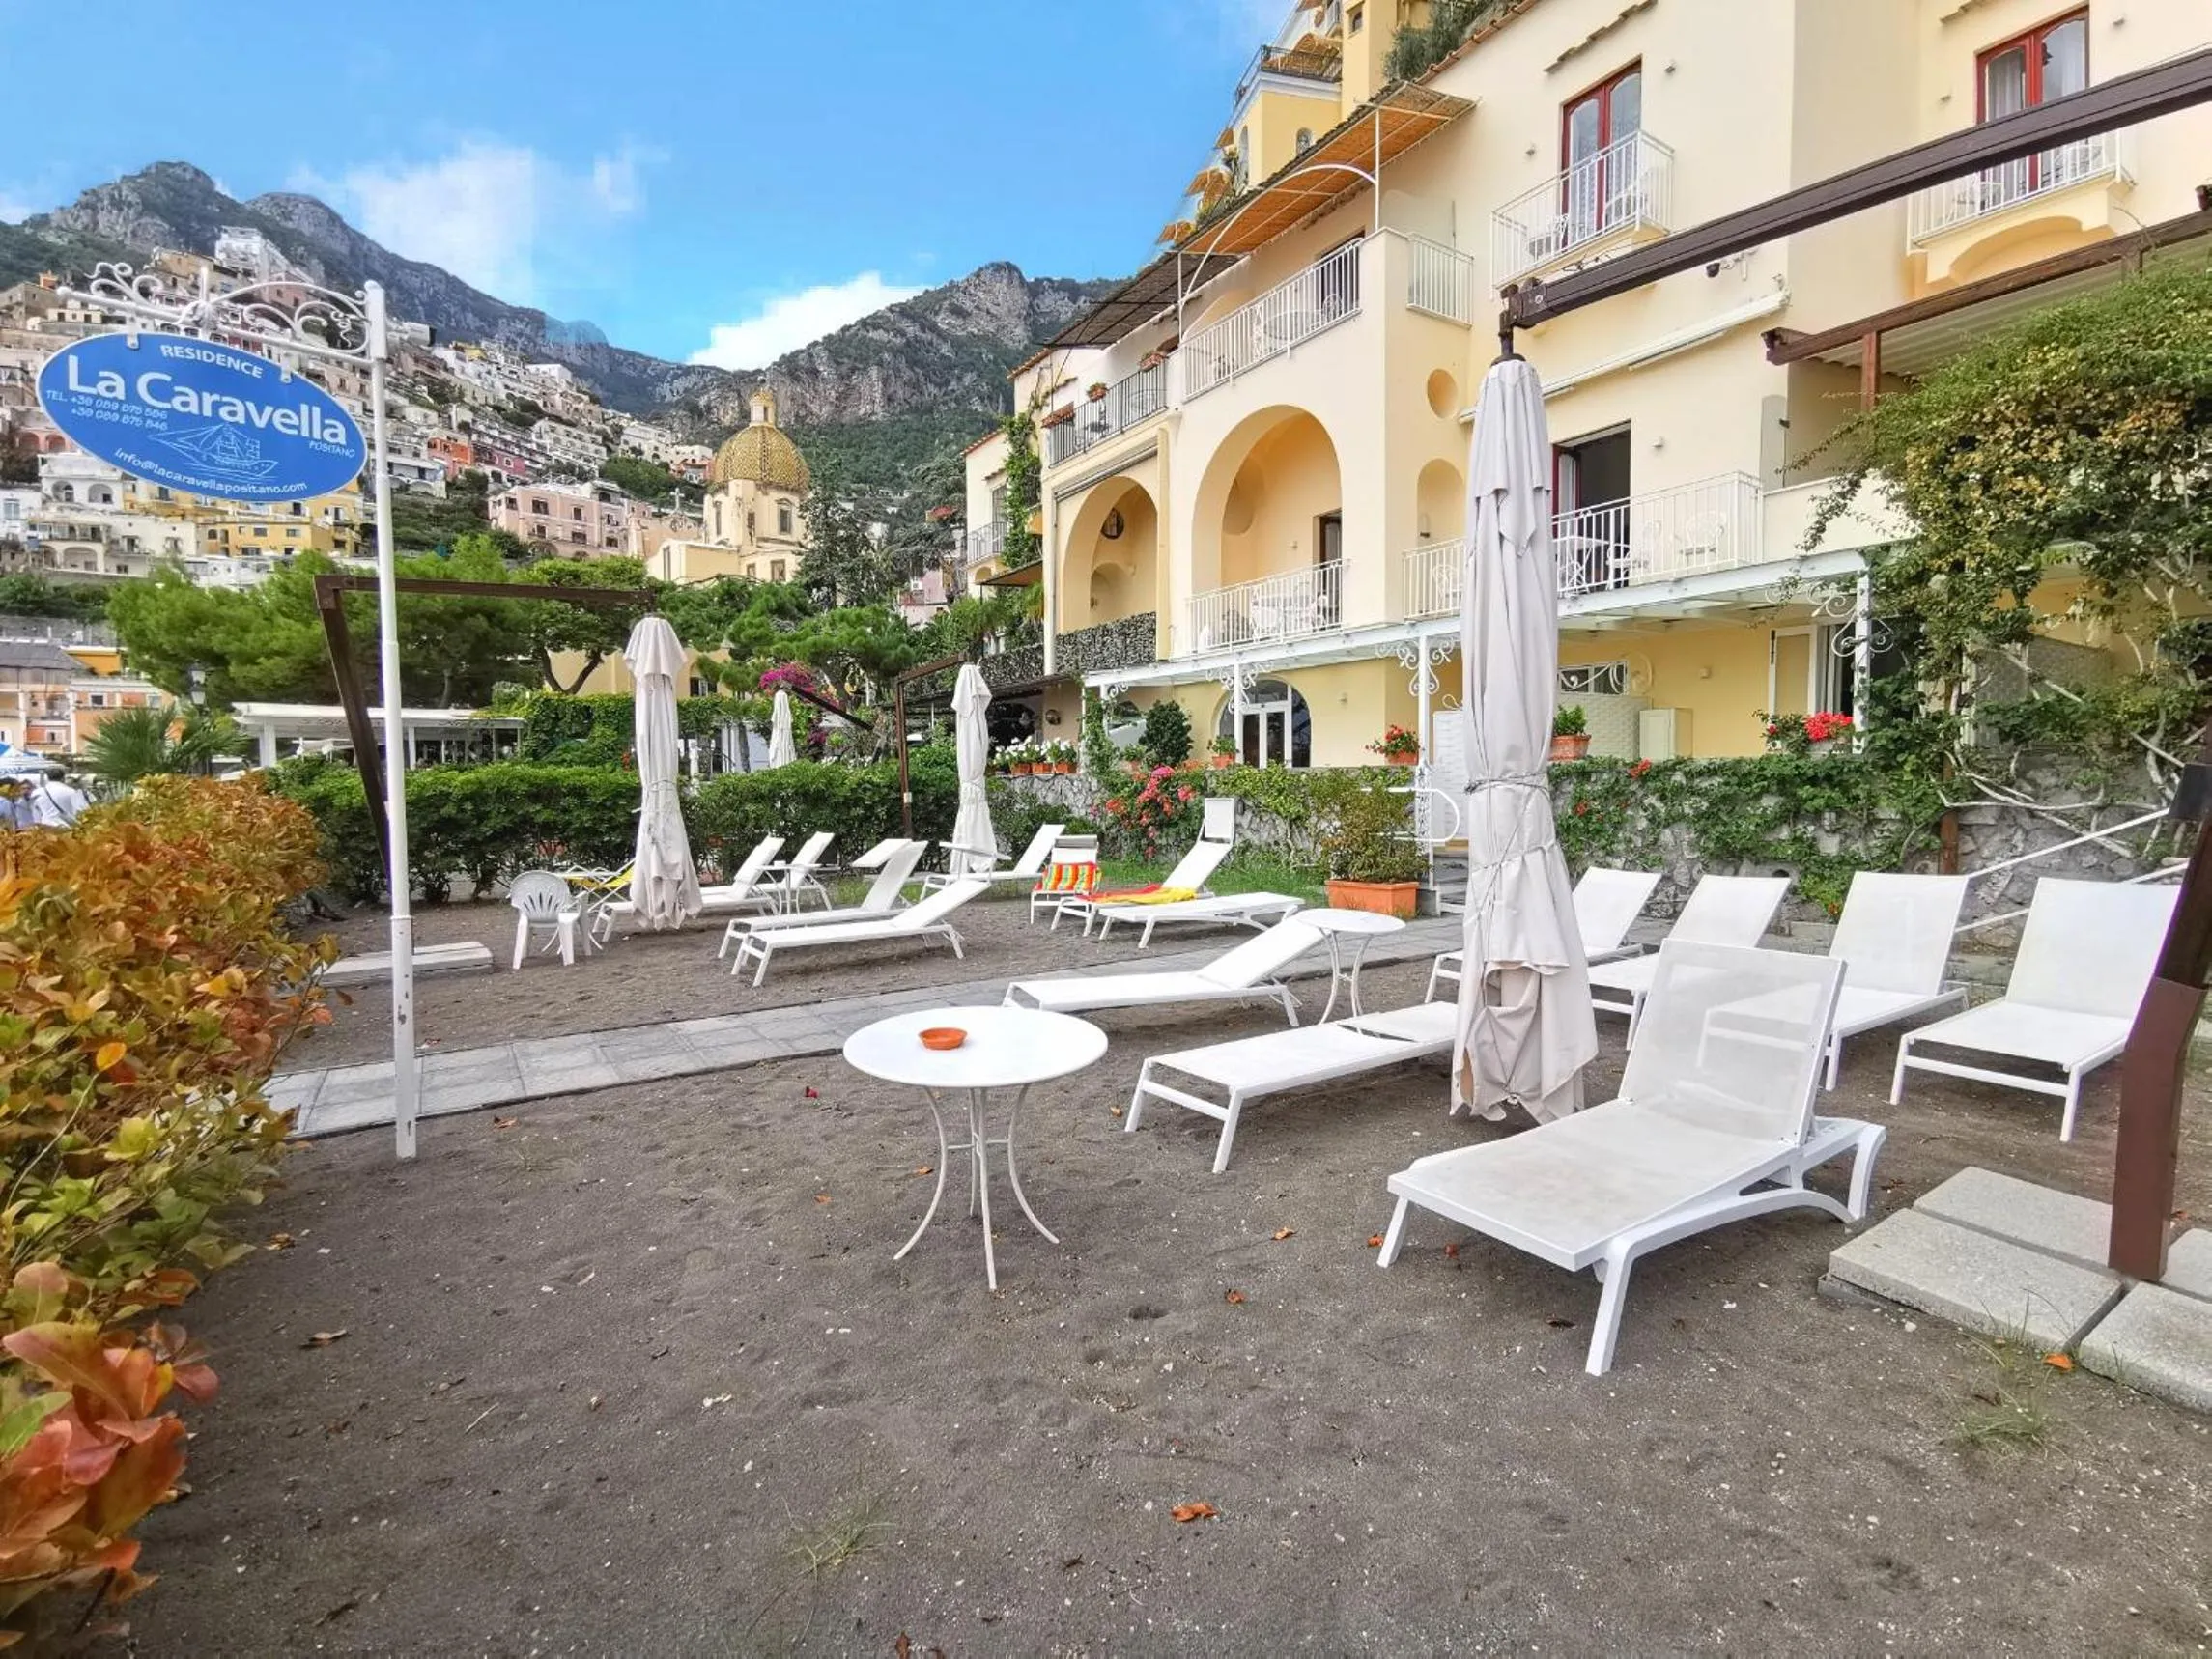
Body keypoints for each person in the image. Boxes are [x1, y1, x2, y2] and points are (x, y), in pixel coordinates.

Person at [24, 772, 88, 828]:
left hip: (47, 827)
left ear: (48, 777)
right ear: (63, 778)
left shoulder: (37, 792)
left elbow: (36, 813)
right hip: (67, 827)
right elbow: (81, 810)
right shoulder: (72, 791)